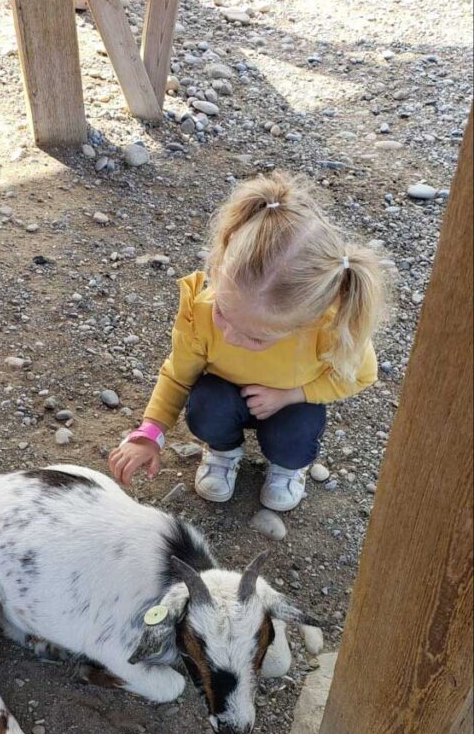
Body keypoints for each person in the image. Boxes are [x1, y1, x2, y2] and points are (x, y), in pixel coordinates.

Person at [109, 170, 385, 512]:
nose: (227, 334)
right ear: (221, 264)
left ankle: (288, 466)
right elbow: (178, 375)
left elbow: (360, 376)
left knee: (297, 431)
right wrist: (150, 433)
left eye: (254, 336)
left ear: (309, 320)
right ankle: (224, 449)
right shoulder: (202, 309)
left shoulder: (330, 327)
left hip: (290, 406)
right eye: (224, 313)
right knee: (206, 405)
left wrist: (292, 395)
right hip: (225, 397)